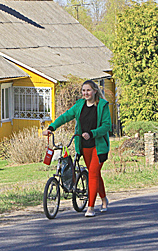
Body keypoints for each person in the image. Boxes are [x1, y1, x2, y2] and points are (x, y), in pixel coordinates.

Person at [43, 80, 111, 217]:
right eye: (83, 90)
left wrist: (92, 133)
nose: (86, 93)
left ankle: (90, 207)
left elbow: (106, 126)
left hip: (99, 146)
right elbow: (65, 117)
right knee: (95, 174)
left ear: (95, 91)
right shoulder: (80, 105)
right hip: (84, 146)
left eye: (88, 90)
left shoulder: (102, 106)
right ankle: (104, 199)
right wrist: (51, 127)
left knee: (92, 173)